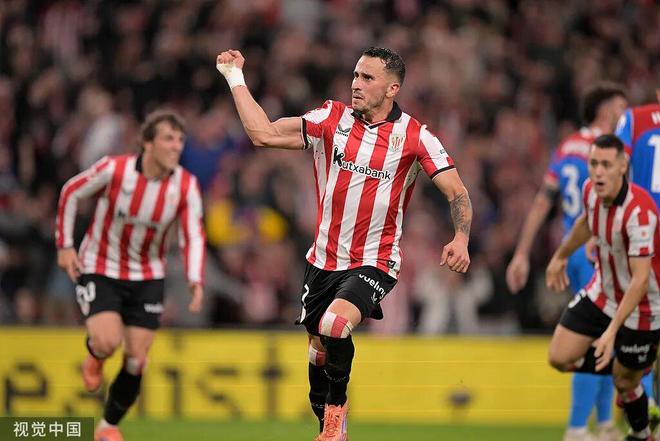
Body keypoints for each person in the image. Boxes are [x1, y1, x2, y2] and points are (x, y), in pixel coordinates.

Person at [216, 47, 472, 441]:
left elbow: (457, 191)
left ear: (392, 88)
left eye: (367, 78)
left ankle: (338, 411)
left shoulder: (415, 136)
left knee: (335, 325)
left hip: (375, 261)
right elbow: (262, 133)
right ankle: (330, 426)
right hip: (322, 261)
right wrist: (234, 77)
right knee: (318, 349)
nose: (356, 84)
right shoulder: (331, 119)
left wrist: (461, 237)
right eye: (355, 75)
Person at [55, 110, 206, 441]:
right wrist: (65, 245)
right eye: (168, 138)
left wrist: (195, 278)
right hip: (101, 266)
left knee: (137, 359)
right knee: (107, 341)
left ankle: (107, 426)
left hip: (148, 274)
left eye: (180, 140)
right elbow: (71, 191)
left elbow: (193, 234)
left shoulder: (185, 185)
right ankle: (96, 355)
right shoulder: (115, 169)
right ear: (147, 143)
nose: (176, 146)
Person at [506, 82, 628, 441]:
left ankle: (604, 424)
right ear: (605, 111)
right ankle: (577, 426)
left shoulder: (567, 146)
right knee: (594, 337)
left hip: (570, 250)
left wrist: (521, 253)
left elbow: (543, 202)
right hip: (592, 248)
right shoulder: (607, 151)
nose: (625, 114)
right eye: (620, 107)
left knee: (603, 335)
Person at [546, 134, 660, 441]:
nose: (598, 172)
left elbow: (640, 280)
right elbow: (585, 222)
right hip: (603, 292)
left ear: (622, 167)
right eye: (594, 164)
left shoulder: (640, 212)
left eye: (606, 165)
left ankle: (641, 433)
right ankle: (634, 366)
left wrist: (611, 332)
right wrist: (560, 256)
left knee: (624, 384)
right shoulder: (590, 191)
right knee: (559, 357)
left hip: (644, 306)